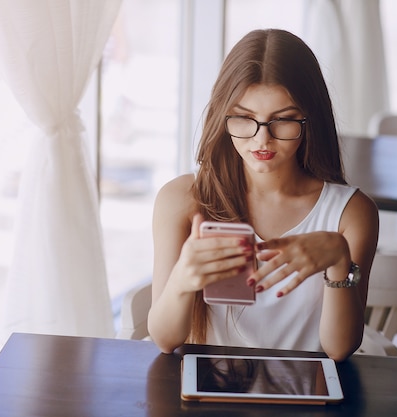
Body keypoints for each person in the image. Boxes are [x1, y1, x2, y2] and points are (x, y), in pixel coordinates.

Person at [147, 29, 379, 362]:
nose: (262, 140)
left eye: (283, 121)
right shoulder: (182, 199)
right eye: (244, 119)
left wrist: (340, 261)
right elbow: (166, 340)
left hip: (304, 396)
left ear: (310, 120)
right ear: (221, 115)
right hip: (210, 394)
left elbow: (339, 348)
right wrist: (183, 279)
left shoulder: (350, 213)